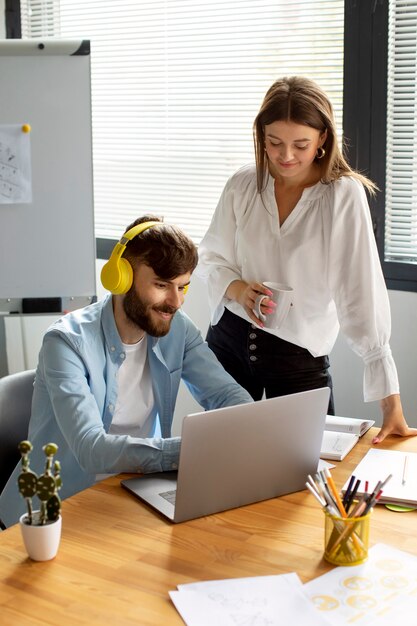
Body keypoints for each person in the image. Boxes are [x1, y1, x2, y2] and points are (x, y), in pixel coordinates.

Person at [196, 75, 417, 446]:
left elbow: (360, 294)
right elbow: (211, 255)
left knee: (304, 479)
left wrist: (390, 404)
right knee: (222, 463)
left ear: (322, 140)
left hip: (299, 362)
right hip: (228, 345)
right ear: (261, 137)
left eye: (300, 144)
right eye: (274, 142)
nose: (286, 156)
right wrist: (237, 288)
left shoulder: (341, 196)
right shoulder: (243, 184)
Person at [0, 216, 252, 528]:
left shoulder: (178, 330)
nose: (175, 302)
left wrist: (250, 429)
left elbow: (225, 394)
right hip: (54, 512)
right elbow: (92, 449)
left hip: (131, 490)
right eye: (161, 285)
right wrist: (192, 450)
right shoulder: (65, 342)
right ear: (121, 278)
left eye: (182, 287)